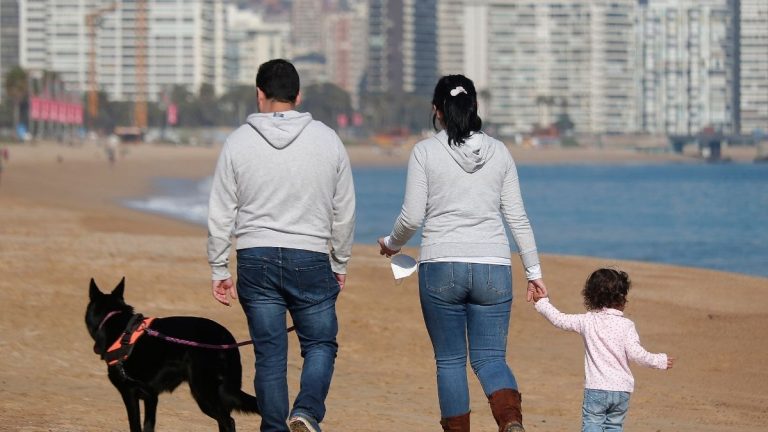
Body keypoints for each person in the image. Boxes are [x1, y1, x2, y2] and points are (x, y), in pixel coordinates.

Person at [378, 74, 546, 432]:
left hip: (442, 266)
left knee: (451, 361)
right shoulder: (499, 152)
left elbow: (411, 217)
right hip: (494, 268)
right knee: (490, 358)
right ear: (474, 107)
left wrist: (392, 244)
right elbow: (517, 216)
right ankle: (510, 420)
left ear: (436, 111)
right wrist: (534, 272)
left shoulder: (425, 151)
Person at [207, 59, 356, 432]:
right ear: (298, 96)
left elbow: (221, 211)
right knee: (320, 344)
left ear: (259, 93)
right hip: (310, 255)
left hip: (254, 257)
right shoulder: (327, 139)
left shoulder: (238, 141)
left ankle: (275, 429)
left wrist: (219, 269)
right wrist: (339, 262)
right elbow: (344, 211)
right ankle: (305, 412)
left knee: (269, 357)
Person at [532, 268, 675, 431]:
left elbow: (559, 319)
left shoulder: (587, 321)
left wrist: (542, 303)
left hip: (596, 388)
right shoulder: (627, 325)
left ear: (591, 297)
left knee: (592, 424)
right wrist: (659, 361)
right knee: (614, 427)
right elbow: (637, 355)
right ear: (621, 300)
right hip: (622, 390)